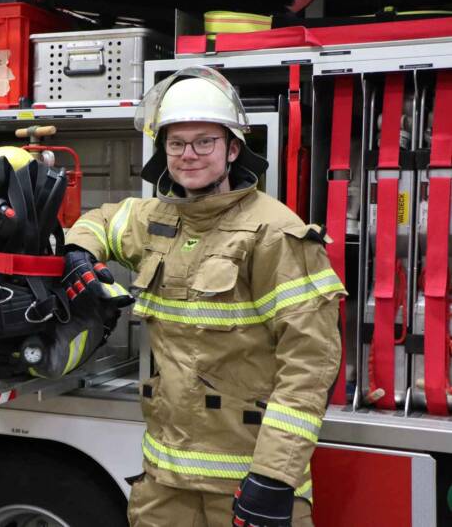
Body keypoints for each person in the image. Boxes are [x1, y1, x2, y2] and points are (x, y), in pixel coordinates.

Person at [61, 66, 345, 527]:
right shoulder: (157, 218)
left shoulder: (275, 233)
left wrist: (273, 477)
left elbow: (310, 364)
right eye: (176, 143)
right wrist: (78, 253)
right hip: (164, 487)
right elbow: (100, 220)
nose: (188, 155)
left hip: (245, 484)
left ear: (233, 149)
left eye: (204, 142)